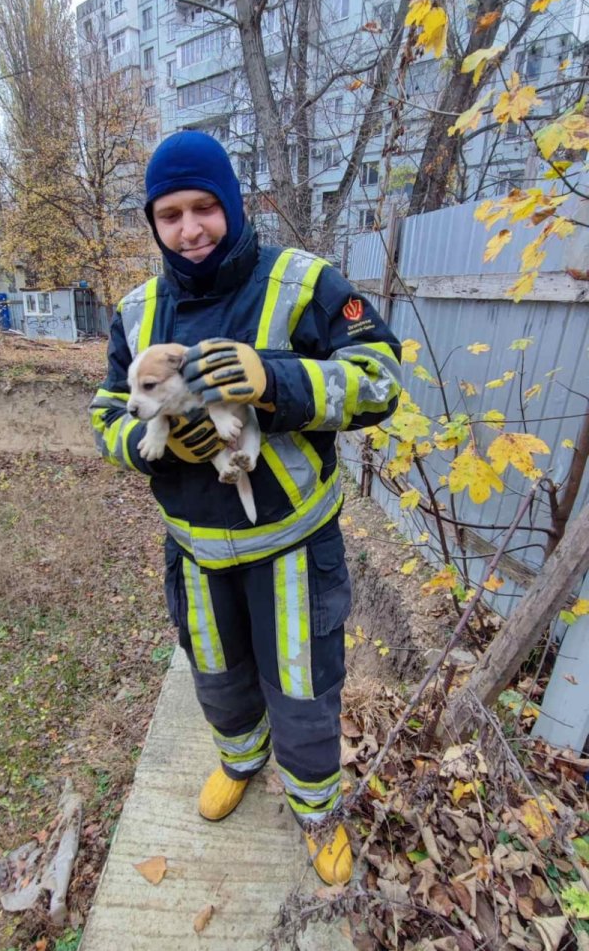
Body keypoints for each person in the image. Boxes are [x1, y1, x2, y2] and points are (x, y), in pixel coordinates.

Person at [90, 131, 402, 885]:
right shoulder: (136, 311)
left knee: (301, 683)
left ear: (230, 203)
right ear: (153, 222)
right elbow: (106, 415)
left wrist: (274, 380)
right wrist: (152, 442)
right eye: (170, 215)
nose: (190, 228)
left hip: (292, 542)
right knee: (219, 675)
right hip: (195, 546)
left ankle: (317, 809)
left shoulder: (305, 282)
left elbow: (381, 378)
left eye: (204, 208)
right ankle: (239, 759)